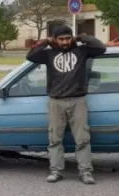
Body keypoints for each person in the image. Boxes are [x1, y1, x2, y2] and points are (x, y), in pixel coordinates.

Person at [25, 24, 107, 184]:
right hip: (56, 101)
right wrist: (46, 41)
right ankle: (56, 171)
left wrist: (80, 38)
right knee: (55, 139)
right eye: (61, 39)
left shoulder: (82, 51)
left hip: (78, 101)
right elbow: (31, 56)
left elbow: (100, 48)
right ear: (55, 39)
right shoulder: (48, 54)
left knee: (82, 139)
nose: (64, 42)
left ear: (72, 37)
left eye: (68, 38)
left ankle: (85, 172)